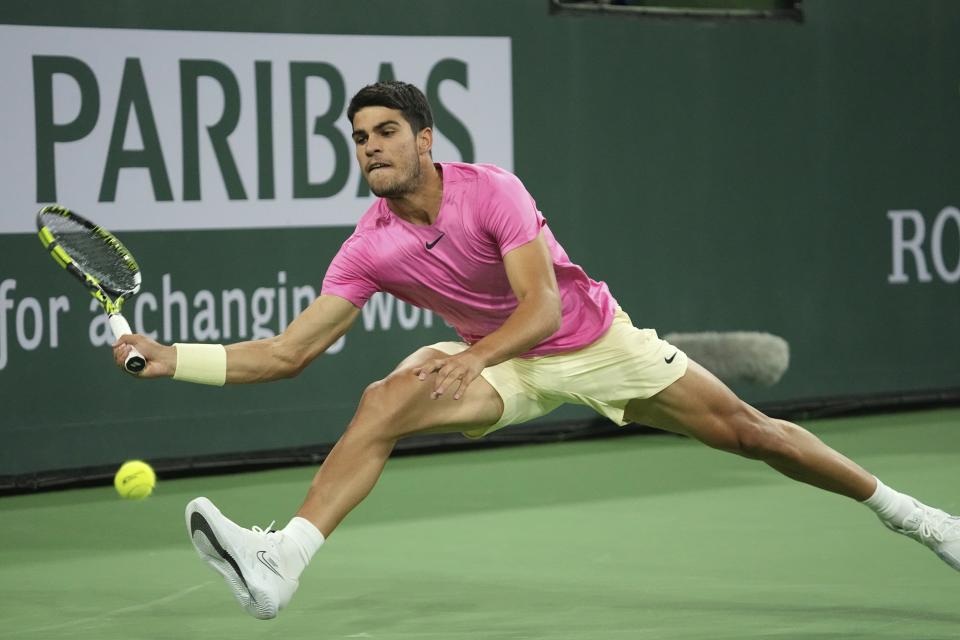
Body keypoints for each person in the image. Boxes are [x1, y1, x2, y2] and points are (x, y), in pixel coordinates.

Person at [114, 81, 960, 620]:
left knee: (752, 432)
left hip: (593, 340)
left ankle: (917, 518)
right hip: (504, 363)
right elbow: (289, 353)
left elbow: (543, 305)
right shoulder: (368, 246)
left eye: (383, 132)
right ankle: (281, 562)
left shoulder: (493, 192)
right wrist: (171, 357)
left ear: (423, 138)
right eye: (357, 137)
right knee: (380, 400)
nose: (368, 147)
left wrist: (469, 359)